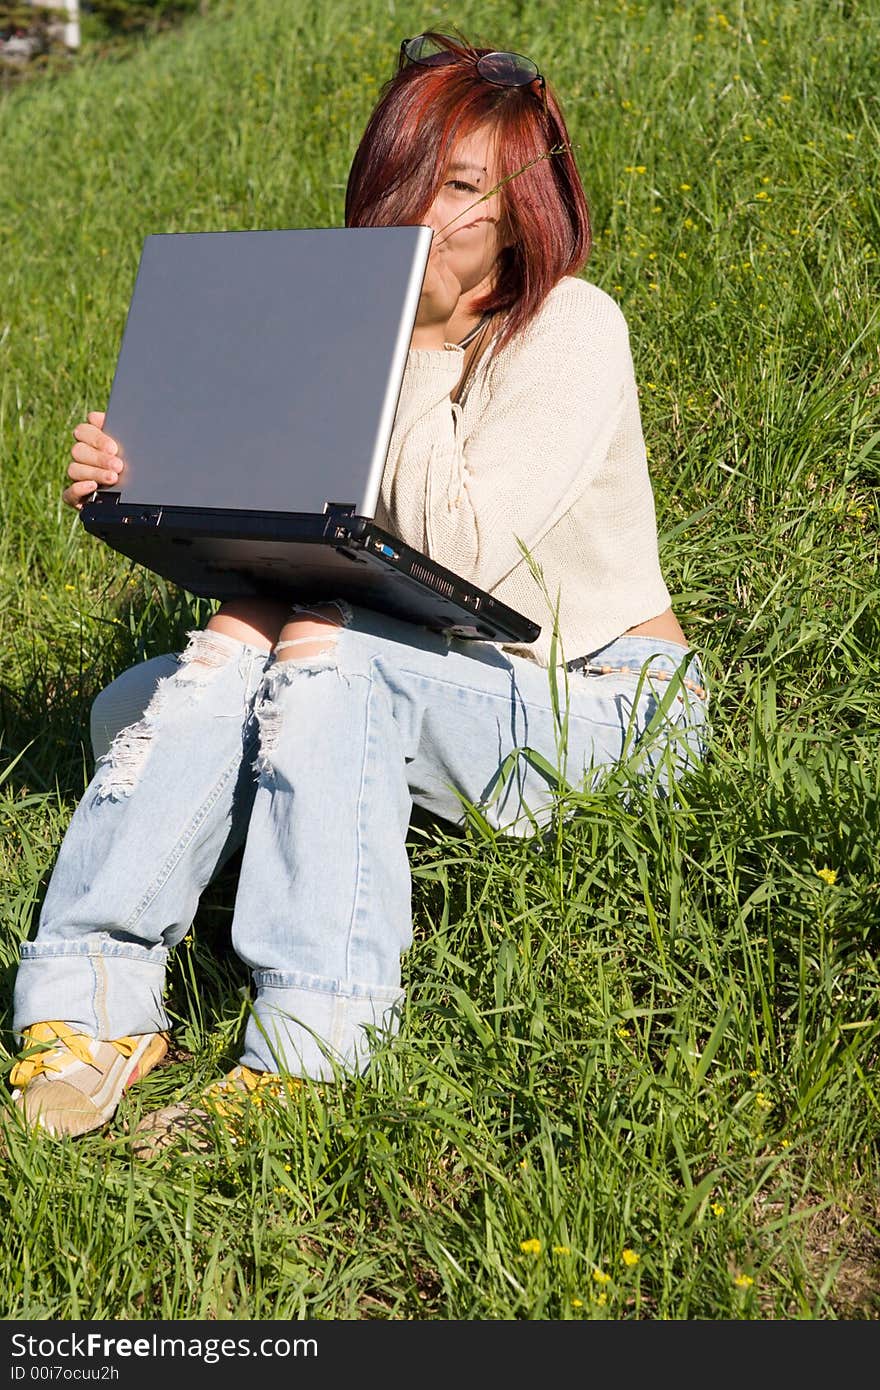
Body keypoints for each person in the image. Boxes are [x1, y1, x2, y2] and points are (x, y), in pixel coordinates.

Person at [7, 31, 709, 1150]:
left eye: (467, 186)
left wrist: (425, 343)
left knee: (319, 643)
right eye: (407, 179)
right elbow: (271, 555)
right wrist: (139, 486)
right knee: (165, 684)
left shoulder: (572, 326)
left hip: (603, 700)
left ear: (528, 204)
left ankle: (314, 1043)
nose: (430, 210)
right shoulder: (338, 339)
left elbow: (465, 561)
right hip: (421, 668)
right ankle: (90, 1009)